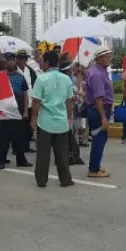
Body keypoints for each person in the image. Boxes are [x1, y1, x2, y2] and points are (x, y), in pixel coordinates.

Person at [30, 51, 76, 187]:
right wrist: (69, 118)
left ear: (47, 63)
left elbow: (36, 102)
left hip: (45, 122)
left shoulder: (41, 79)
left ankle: (41, 180)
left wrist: (33, 119)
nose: (41, 64)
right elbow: (69, 102)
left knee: (43, 154)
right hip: (61, 121)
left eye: (42, 61)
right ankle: (65, 179)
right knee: (62, 154)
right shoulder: (66, 79)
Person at [0, 52, 31, 169]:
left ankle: (21, 160)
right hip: (5, 111)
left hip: (19, 110)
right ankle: (0, 160)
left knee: (20, 137)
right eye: (9, 59)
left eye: (13, 59)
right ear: (5, 62)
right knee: (4, 137)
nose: (11, 61)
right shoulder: (1, 77)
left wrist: (26, 111)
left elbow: (26, 94)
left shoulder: (21, 77)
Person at [85, 45, 114, 178]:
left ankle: (95, 164)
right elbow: (98, 98)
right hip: (98, 110)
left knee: (100, 139)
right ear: (99, 58)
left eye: (109, 56)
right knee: (99, 140)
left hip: (97, 110)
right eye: (106, 56)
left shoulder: (98, 71)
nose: (109, 58)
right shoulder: (97, 74)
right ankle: (94, 169)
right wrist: (103, 117)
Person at [15, 49, 39, 152]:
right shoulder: (14, 70)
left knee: (29, 127)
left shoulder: (29, 70)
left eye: (24, 58)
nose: (22, 60)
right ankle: (18, 147)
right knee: (19, 128)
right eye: (20, 58)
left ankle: (26, 146)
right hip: (18, 101)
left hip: (30, 100)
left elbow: (34, 84)